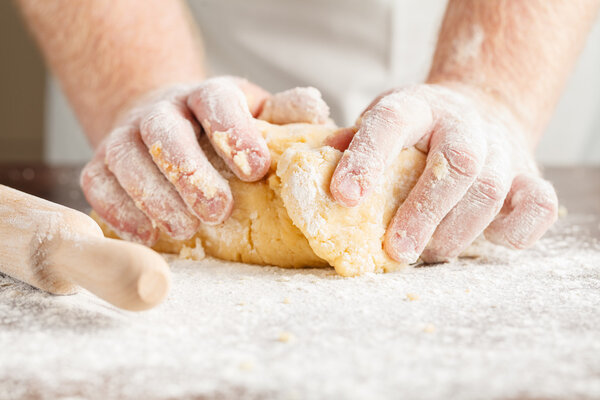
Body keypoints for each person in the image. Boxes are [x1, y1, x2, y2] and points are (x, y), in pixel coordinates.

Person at [16, 0, 600, 264]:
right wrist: (136, 87)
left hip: (516, 35)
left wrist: (491, 92)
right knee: (171, 159)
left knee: (473, 169)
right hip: (180, 29)